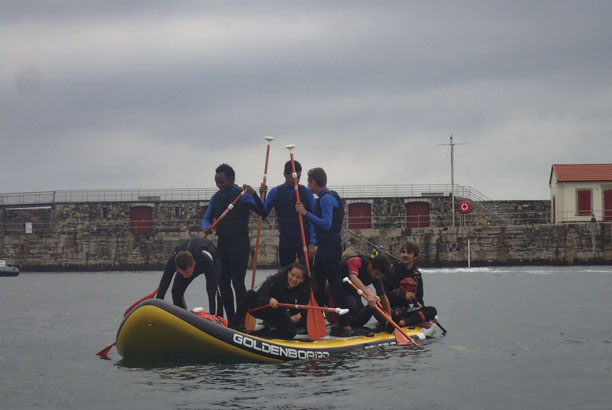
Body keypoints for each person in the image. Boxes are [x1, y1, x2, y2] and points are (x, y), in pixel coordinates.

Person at [202, 163, 267, 327]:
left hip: (240, 244)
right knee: (223, 283)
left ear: (232, 179)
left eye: (222, 181)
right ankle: (231, 321)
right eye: (216, 182)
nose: (219, 185)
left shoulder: (242, 195)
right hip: (223, 243)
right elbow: (206, 219)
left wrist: (256, 195)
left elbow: (263, 212)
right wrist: (206, 227)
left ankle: (241, 321)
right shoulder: (215, 198)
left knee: (238, 283)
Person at [295, 167, 345, 312]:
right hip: (323, 247)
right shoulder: (322, 198)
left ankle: (346, 322)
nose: (308, 185)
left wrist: (305, 213)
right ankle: (317, 318)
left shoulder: (327, 199)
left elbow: (326, 224)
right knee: (317, 284)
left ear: (314, 182)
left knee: (335, 284)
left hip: (331, 247)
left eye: (308, 182)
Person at [260, 160, 317, 267]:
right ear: (285, 174)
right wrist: (261, 197)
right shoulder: (275, 192)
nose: (296, 180)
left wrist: (312, 243)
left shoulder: (306, 192)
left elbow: (314, 218)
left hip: (303, 238)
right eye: (293, 177)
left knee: (307, 272)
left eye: (299, 177)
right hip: (286, 239)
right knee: (285, 272)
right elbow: (262, 214)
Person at [235, 262, 311, 339]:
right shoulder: (274, 280)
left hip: (275, 314)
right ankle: (235, 325)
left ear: (302, 279)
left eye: (298, 277)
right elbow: (259, 297)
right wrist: (269, 300)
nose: (294, 279)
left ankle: (261, 334)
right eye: (292, 275)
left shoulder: (301, 290)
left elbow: (303, 309)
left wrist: (307, 328)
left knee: (291, 331)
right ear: (288, 273)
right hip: (259, 308)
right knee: (250, 294)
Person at [156, 237, 221, 313]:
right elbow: (163, 285)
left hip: (213, 260)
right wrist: (157, 307)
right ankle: (183, 317)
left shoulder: (205, 260)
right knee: (176, 291)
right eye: (181, 273)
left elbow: (213, 292)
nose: (184, 276)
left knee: (212, 290)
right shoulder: (173, 261)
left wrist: (214, 317)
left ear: (193, 264)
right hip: (189, 261)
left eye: (186, 273)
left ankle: (218, 318)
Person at [383, 241, 437, 328]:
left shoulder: (417, 275)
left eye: (409, 253)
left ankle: (405, 322)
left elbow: (419, 299)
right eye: (403, 252)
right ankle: (411, 322)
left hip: (408, 311)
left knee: (432, 311)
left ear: (415, 256)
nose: (405, 255)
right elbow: (384, 295)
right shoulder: (391, 272)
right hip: (393, 310)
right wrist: (403, 296)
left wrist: (427, 315)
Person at [337, 252, 392, 336]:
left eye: (379, 276)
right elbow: (353, 278)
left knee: (373, 306)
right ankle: (343, 327)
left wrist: (389, 318)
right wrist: (369, 294)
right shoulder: (356, 261)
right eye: (376, 274)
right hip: (340, 293)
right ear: (370, 265)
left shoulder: (376, 275)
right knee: (351, 303)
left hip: (354, 307)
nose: (376, 277)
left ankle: (388, 324)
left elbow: (383, 296)